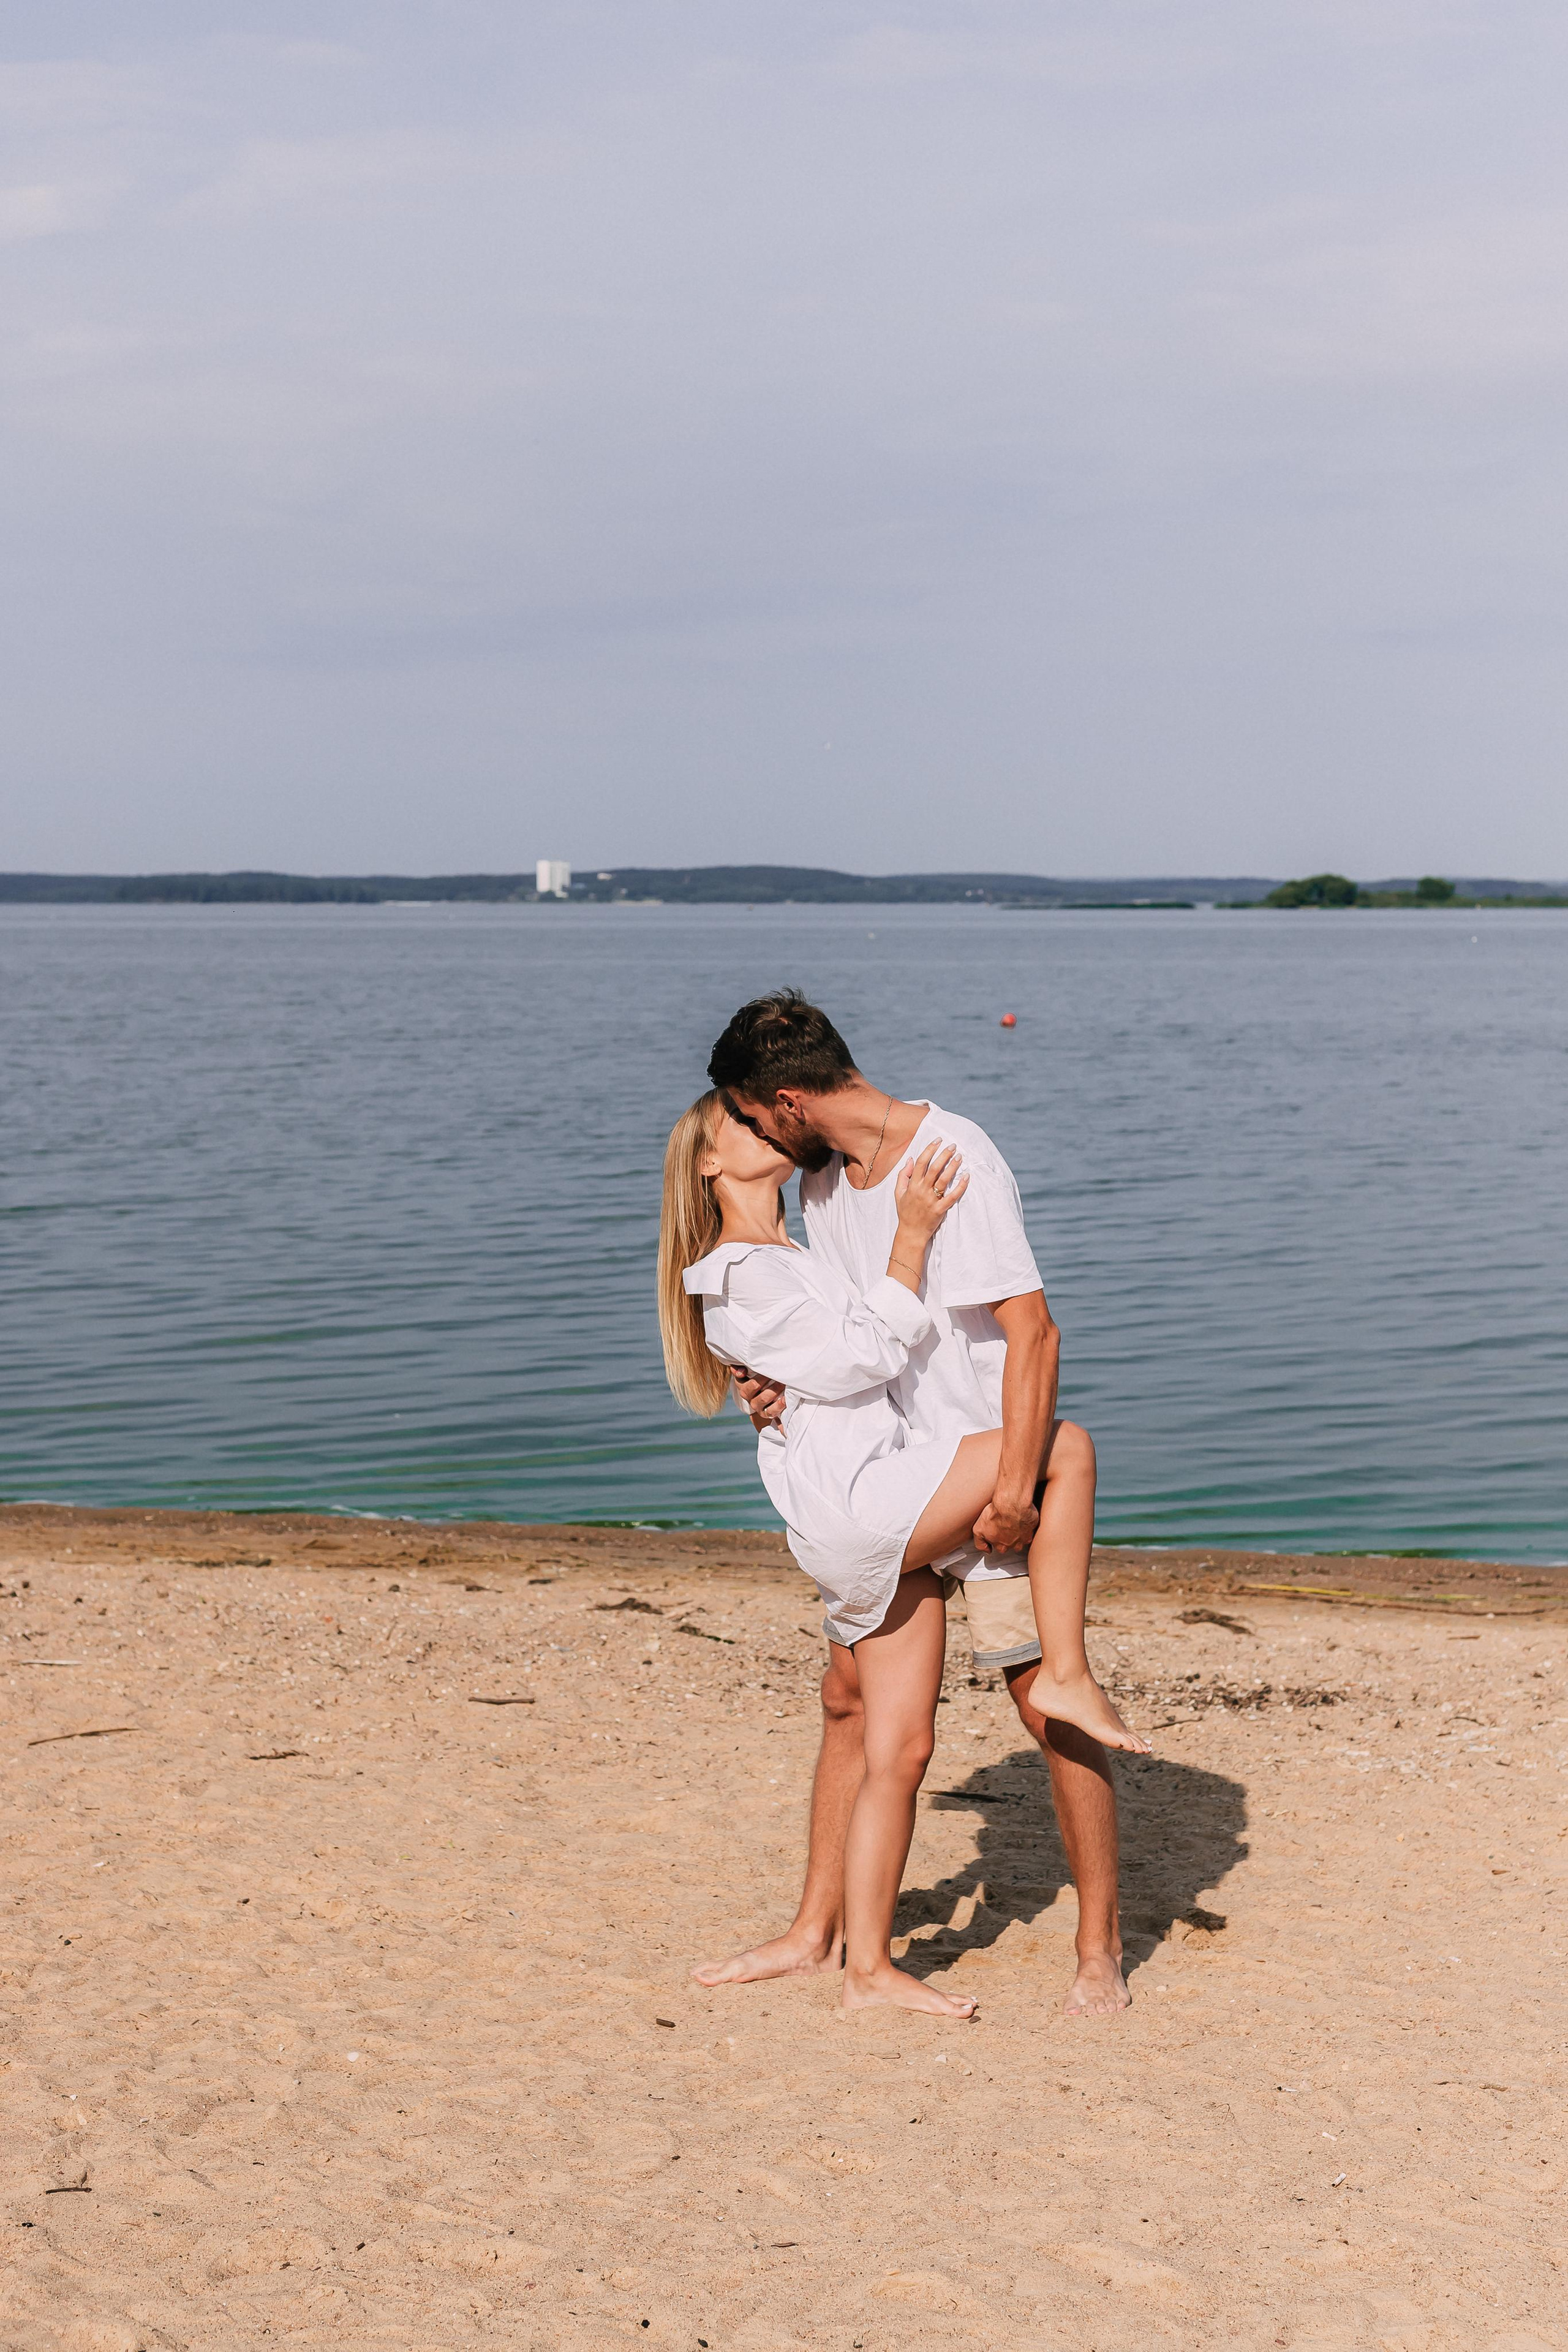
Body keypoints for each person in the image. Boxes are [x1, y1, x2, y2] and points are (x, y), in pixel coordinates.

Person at [694, 989, 1139, 2019]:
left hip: (985, 1480)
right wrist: (766, 1384)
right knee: (848, 1704)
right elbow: (840, 1337)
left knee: (1045, 1706)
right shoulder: (821, 1189)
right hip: (887, 1477)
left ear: (790, 1099)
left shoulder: (952, 1158)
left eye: (755, 1116)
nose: (755, 1134)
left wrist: (1021, 1491)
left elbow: (1035, 1335)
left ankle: (1097, 1949)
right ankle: (817, 1932)